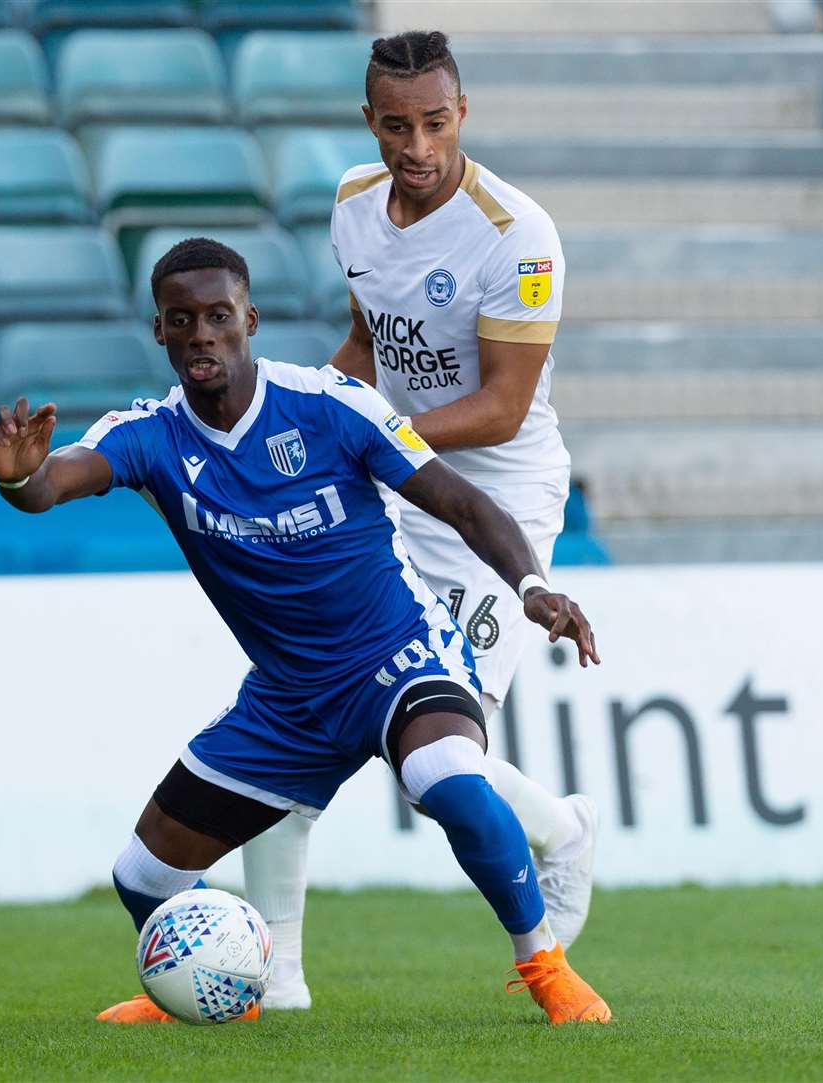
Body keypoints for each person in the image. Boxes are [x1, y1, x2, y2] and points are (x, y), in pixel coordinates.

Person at [0, 237, 610, 1026]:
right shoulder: (148, 434)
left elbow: (462, 502)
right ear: (160, 332)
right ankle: (233, 985)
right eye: (183, 321)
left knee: (447, 778)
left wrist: (533, 586)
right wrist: (17, 475)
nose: (203, 334)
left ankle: (545, 964)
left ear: (251, 317)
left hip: (399, 656)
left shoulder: (328, 405)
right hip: (288, 697)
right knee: (141, 877)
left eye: (219, 316)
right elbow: (50, 484)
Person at [242, 30, 597, 1011]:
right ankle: (276, 979)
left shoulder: (516, 234)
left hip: (494, 503)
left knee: (431, 746)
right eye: (397, 125)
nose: (418, 145)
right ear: (371, 122)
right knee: (301, 701)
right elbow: (367, 343)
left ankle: (561, 831)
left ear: (462, 115)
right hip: (397, 489)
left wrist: (364, 437)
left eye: (436, 123)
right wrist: (306, 415)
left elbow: (501, 408)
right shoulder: (356, 202)